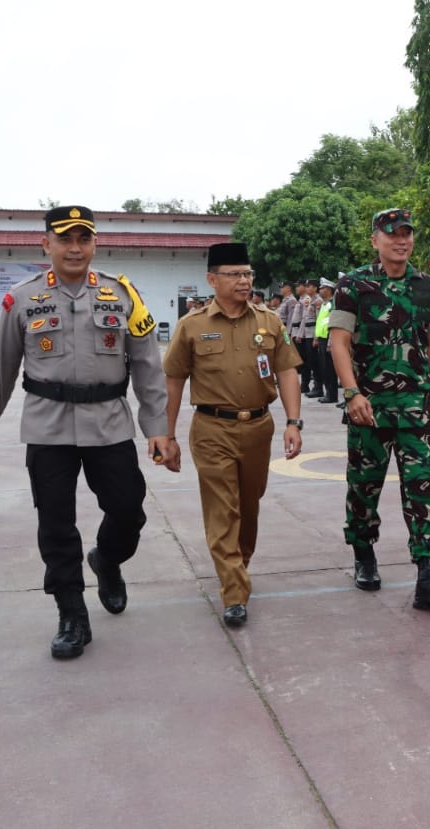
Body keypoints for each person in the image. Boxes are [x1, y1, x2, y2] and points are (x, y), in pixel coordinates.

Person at [0, 206, 175, 659]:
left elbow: (146, 364)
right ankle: (71, 613)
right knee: (55, 524)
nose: (75, 247)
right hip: (47, 425)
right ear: (46, 245)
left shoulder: (122, 295)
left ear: (95, 244)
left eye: (84, 238)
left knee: (128, 509)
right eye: (65, 239)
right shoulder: (22, 299)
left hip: (109, 422)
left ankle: (109, 559)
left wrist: (157, 427)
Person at [164, 243, 303, 627]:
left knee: (249, 504)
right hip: (212, 427)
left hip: (259, 427)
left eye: (247, 274)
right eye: (235, 275)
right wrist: (167, 433)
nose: (244, 281)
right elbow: (174, 380)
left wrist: (294, 421)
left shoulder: (269, 321)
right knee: (223, 507)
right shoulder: (191, 325)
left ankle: (238, 565)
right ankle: (234, 591)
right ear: (212, 280)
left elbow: (288, 371)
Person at [328, 208, 430, 609]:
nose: (400, 240)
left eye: (406, 233)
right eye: (391, 234)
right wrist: (352, 394)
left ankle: (428, 576)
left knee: (421, 488)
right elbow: (338, 341)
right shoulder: (354, 285)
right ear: (375, 240)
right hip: (369, 408)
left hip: (417, 408)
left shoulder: (425, 287)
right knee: (364, 488)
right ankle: (364, 554)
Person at [313, 279, 339, 404]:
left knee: (330, 369)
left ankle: (332, 395)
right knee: (324, 368)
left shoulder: (332, 304)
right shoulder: (324, 304)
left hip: (328, 339)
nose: (320, 290)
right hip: (322, 339)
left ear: (328, 290)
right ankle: (328, 392)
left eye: (322, 288)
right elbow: (321, 323)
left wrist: (330, 342)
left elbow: (333, 325)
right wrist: (317, 338)